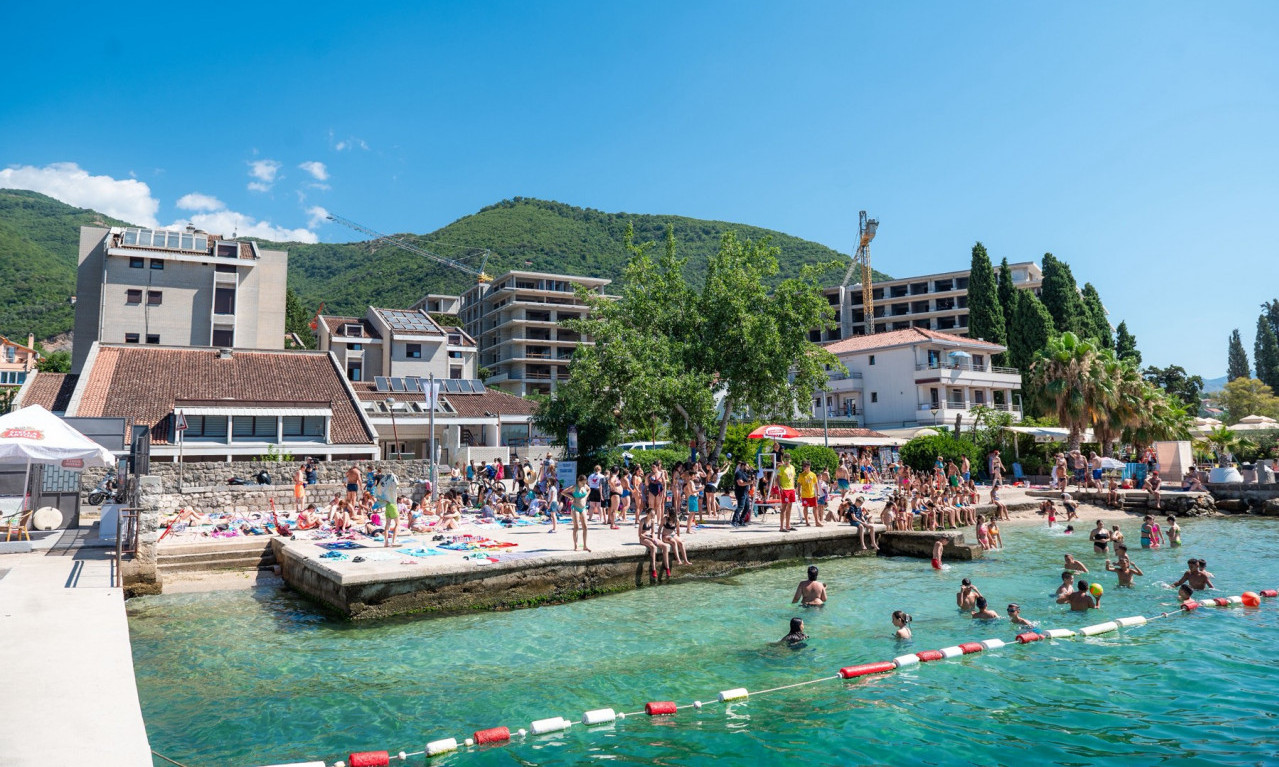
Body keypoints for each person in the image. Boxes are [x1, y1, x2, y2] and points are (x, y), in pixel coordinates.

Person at [638, 507, 670, 579]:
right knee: (653, 547)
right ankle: (653, 568)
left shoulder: (652, 521)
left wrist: (653, 537)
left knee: (665, 546)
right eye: (651, 514)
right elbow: (640, 534)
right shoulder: (642, 521)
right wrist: (650, 539)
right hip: (643, 538)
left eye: (654, 515)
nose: (653, 516)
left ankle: (667, 567)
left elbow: (652, 532)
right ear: (647, 514)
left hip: (650, 536)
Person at [569, 475, 591, 552]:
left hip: (583, 508)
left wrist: (586, 496)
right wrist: (572, 497)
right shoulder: (574, 487)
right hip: (575, 508)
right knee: (576, 527)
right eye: (583, 483)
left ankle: (585, 545)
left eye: (585, 483)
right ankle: (576, 545)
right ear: (579, 481)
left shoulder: (585, 486)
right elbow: (563, 492)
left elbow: (589, 489)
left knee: (585, 526)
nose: (584, 484)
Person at [796, 460, 820, 527]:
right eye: (803, 466)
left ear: (809, 466)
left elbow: (816, 485)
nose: (804, 468)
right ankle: (807, 522)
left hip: (812, 494)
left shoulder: (813, 474)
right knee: (805, 507)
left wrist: (817, 494)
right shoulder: (801, 475)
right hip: (805, 494)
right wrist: (799, 494)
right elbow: (799, 484)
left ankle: (817, 522)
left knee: (815, 507)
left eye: (805, 466)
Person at [776, 454, 797, 532]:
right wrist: (780, 487)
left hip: (791, 488)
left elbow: (793, 478)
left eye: (788, 459)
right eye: (785, 459)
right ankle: (781, 527)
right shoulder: (781, 468)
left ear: (790, 460)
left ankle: (788, 525)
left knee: (790, 507)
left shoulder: (792, 467)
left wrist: (794, 487)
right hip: (784, 489)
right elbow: (777, 478)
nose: (786, 461)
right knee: (783, 508)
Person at [731, 459, 752, 527]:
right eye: (747, 466)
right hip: (740, 492)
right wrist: (748, 483)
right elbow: (740, 483)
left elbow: (748, 480)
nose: (747, 468)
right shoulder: (739, 473)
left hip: (745, 492)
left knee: (747, 507)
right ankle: (734, 521)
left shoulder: (745, 473)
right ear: (743, 466)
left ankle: (741, 520)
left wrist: (752, 476)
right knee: (740, 506)